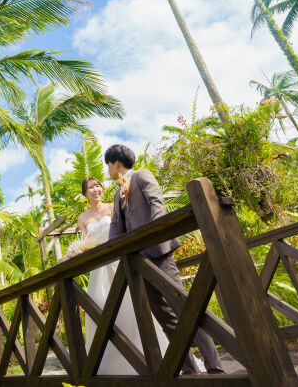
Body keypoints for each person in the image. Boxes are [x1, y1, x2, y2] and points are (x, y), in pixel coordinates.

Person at [105, 144, 225, 375]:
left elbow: (157, 205)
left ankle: (215, 367)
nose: (108, 169)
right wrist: (110, 250)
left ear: (116, 162)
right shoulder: (116, 193)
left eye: (108, 165)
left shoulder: (142, 175)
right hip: (139, 263)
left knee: (184, 308)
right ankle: (190, 370)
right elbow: (115, 228)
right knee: (164, 316)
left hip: (158, 253)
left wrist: (153, 235)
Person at [72, 176, 204, 375]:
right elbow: (86, 243)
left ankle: (154, 358)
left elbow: (123, 229)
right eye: (91, 187)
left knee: (135, 309)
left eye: (98, 185)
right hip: (99, 271)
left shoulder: (112, 206)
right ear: (85, 194)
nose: (96, 189)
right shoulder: (82, 218)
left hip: (120, 264)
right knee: (104, 313)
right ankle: (111, 366)